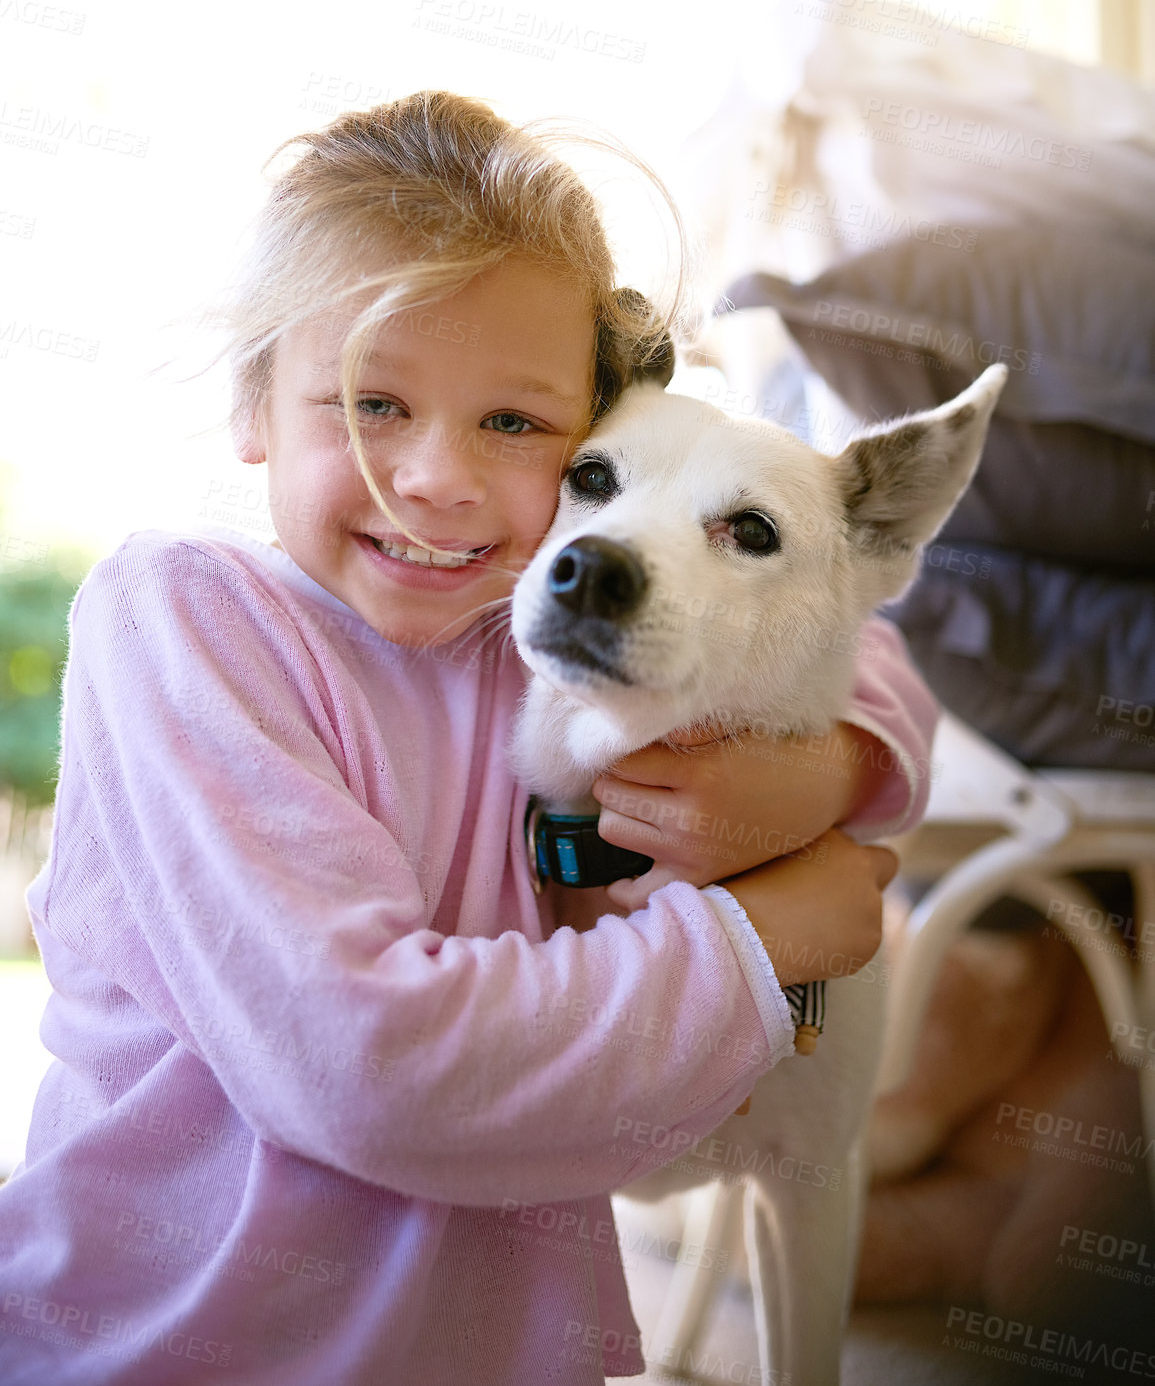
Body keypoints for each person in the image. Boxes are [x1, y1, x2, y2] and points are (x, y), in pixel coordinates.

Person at [0, 92, 935, 1385]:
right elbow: (369, 1065)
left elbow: (852, 628)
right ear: (254, 404)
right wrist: (766, 939)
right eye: (370, 403)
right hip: (152, 1351)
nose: (435, 479)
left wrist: (829, 772)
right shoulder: (181, 624)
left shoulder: (521, 622)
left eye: (514, 424)